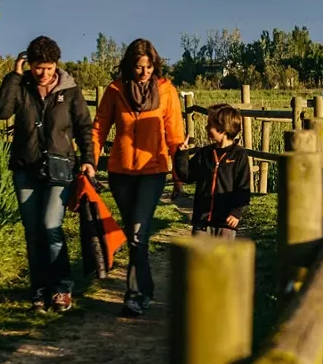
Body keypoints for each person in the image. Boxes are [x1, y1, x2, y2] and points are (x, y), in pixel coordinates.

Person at [0, 36, 94, 312]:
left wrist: (88, 160)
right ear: (29, 65)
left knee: (50, 225)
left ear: (56, 65)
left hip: (60, 168)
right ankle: (39, 291)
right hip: (26, 168)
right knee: (33, 233)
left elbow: (84, 126)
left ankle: (61, 288)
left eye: (48, 68)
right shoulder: (21, 86)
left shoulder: (70, 91)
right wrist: (14, 75)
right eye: (38, 67)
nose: (43, 74)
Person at [91, 38, 185, 317]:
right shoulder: (115, 90)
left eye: (148, 67)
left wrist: (178, 176)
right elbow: (99, 129)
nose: (144, 72)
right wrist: (90, 162)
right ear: (129, 66)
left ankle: (134, 295)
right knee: (134, 235)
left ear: (155, 66)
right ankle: (145, 289)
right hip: (120, 173)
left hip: (152, 172)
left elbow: (175, 135)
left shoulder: (166, 91)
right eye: (139, 67)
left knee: (137, 233)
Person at [174, 103, 251, 238]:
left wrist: (236, 212)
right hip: (201, 221)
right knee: (198, 252)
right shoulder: (204, 153)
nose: (206, 127)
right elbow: (187, 176)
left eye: (210, 124)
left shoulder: (239, 155)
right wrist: (181, 155)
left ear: (222, 128)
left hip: (226, 222)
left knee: (223, 252)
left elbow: (243, 187)